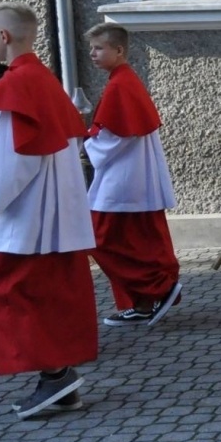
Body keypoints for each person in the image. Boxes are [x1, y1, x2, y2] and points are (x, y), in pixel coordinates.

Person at [0, 4, 99, 417]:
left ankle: (56, 375)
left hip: (26, 219)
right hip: (55, 214)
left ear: (4, 37)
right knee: (47, 298)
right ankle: (58, 381)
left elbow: (13, 161)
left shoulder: (19, 84)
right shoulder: (43, 81)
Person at [83, 23, 182, 326]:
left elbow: (116, 135)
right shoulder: (121, 81)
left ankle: (158, 289)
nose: (92, 54)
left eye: (99, 48)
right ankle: (142, 303)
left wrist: (86, 144)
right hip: (128, 175)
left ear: (119, 50)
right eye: (92, 48)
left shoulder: (120, 85)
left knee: (98, 237)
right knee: (135, 241)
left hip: (123, 179)